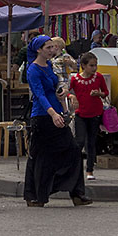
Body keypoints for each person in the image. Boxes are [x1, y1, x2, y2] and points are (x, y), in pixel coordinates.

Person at [23, 35, 90, 207]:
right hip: (43, 117)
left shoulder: (50, 66)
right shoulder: (33, 70)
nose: (53, 51)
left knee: (73, 151)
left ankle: (77, 193)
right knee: (40, 157)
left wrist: (64, 95)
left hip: (57, 114)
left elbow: (55, 89)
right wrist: (53, 114)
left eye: (53, 47)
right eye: (48, 48)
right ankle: (36, 196)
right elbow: (39, 94)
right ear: (39, 50)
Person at [70, 53, 109, 181]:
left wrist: (99, 93)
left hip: (95, 114)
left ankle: (90, 170)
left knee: (91, 143)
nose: (94, 68)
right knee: (79, 141)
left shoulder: (98, 77)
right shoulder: (75, 79)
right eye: (91, 65)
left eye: (95, 65)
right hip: (80, 114)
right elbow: (67, 91)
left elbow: (106, 92)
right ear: (83, 66)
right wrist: (72, 97)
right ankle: (74, 168)